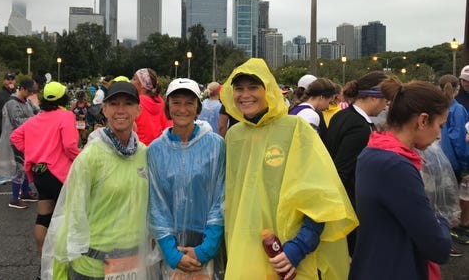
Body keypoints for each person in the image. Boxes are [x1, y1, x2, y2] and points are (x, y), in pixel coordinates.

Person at [220, 58, 357, 279]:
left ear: (268, 90)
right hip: (246, 252)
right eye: (239, 89)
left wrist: (299, 247)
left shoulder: (295, 129)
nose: (245, 95)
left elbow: (321, 196)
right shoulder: (234, 137)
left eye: (253, 87)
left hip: (288, 256)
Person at [41, 81, 150, 280]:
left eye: (128, 104)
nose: (120, 110)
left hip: (132, 263)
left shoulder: (144, 154)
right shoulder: (90, 157)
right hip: (92, 267)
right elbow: (71, 215)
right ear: (104, 109)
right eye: (114, 104)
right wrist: (60, 268)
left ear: (138, 110)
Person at [349, 77, 451, 279]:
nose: (440, 135)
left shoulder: (374, 151)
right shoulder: (395, 165)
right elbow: (438, 247)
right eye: (440, 125)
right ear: (423, 120)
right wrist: (442, 221)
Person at [149, 78, 225, 279]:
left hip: (207, 242)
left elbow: (221, 199)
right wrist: (172, 254)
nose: (182, 109)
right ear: (168, 107)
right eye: (176, 103)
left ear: (198, 108)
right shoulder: (156, 150)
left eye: (189, 103)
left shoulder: (216, 146)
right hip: (172, 246)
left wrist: (206, 249)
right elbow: (156, 205)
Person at [10, 82, 80, 256]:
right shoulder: (66, 116)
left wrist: (32, 151)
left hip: (39, 173)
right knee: (68, 216)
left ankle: (44, 258)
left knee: (44, 216)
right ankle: (64, 259)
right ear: (63, 97)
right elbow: (69, 146)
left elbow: (15, 136)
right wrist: (82, 158)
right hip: (58, 174)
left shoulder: (37, 118)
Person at [324, 71, 388, 254]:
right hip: (349, 206)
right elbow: (343, 171)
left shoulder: (341, 115)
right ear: (374, 98)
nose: (386, 106)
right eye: (385, 100)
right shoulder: (360, 127)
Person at [0, 79, 38, 208]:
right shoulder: (12, 103)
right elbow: (17, 121)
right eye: (29, 91)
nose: (31, 94)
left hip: (27, 139)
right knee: (19, 168)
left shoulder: (27, 101)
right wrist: (36, 119)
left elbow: (37, 111)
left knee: (26, 166)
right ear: (22, 88)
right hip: (16, 140)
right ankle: (14, 198)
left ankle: (25, 192)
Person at [437, 74, 469, 244]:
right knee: (456, 196)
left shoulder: (437, 107)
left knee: (444, 197)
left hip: (440, 159)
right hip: (455, 162)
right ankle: (454, 229)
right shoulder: (458, 109)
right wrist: (465, 166)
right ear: (458, 88)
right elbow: (460, 140)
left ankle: (448, 228)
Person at [131, 68, 170, 145]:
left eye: (134, 79)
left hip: (139, 147)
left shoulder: (135, 102)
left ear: (142, 85)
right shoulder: (161, 102)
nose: (130, 81)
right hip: (158, 147)